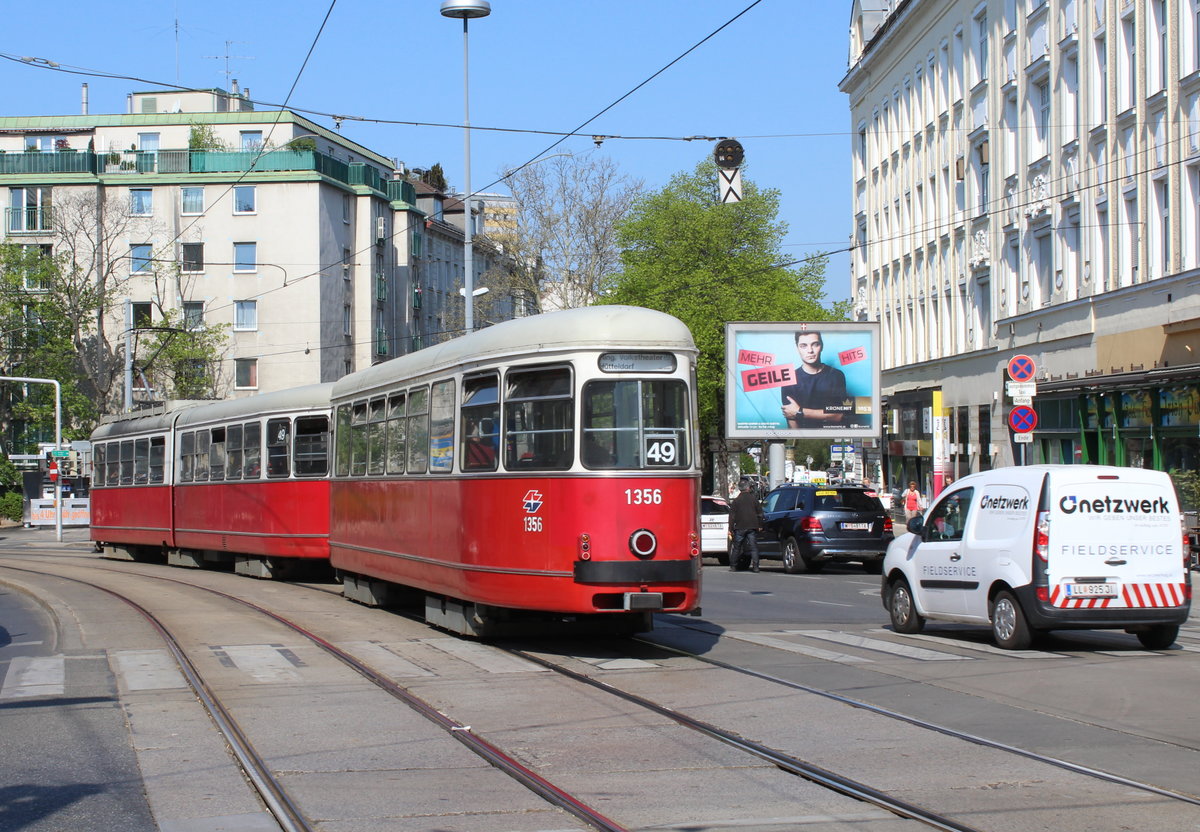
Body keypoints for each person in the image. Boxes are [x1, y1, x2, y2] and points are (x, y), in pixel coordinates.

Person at [780, 331, 852, 429]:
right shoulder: (789, 379)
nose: (810, 350)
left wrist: (800, 411)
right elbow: (791, 418)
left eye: (815, 344)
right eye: (803, 346)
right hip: (803, 440)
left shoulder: (836, 375)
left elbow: (839, 416)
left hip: (831, 436)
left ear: (821, 346)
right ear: (797, 348)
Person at [729, 480, 765, 572]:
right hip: (752, 526)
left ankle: (733, 566)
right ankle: (756, 567)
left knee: (737, 547)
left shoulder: (736, 501)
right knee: (753, 547)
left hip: (740, 526)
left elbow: (732, 516)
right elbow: (760, 513)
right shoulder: (754, 499)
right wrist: (760, 525)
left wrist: (730, 528)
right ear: (748, 488)